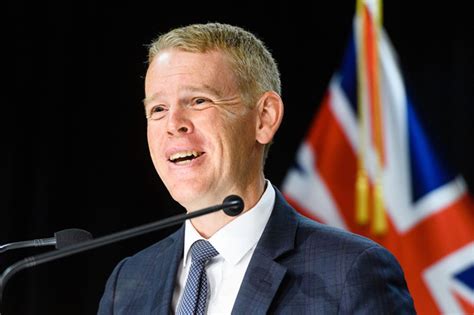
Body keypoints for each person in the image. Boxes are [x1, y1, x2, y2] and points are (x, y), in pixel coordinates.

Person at [98, 23, 415, 314]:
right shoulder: (128, 283)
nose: (173, 124)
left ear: (264, 118)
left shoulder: (349, 272)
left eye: (198, 101)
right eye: (158, 109)